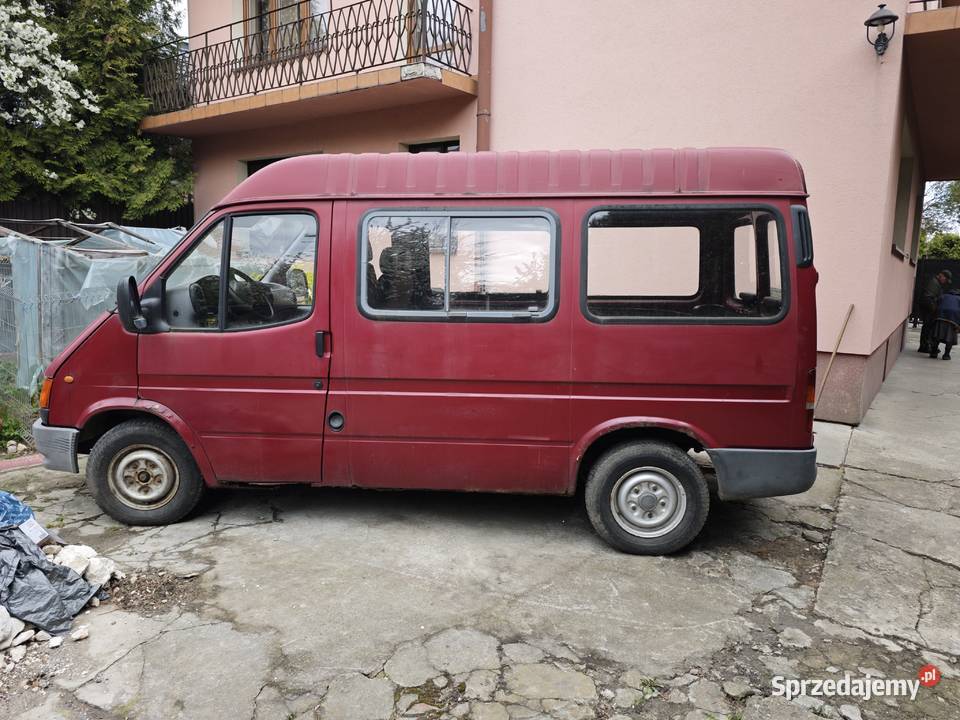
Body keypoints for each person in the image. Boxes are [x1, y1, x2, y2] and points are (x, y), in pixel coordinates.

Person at [919, 269, 952, 353]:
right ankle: (925, 346)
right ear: (941, 275)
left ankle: (926, 346)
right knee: (927, 328)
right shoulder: (934, 283)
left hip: (930, 309)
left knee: (928, 328)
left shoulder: (936, 282)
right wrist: (934, 310)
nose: (945, 282)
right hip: (929, 310)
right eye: (945, 279)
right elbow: (928, 298)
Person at [929, 289, 960, 360]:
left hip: (940, 316)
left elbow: (935, 304)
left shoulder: (943, 296)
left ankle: (933, 352)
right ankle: (946, 355)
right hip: (953, 319)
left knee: (937, 335)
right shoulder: (959, 298)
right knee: (950, 337)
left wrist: (933, 318)